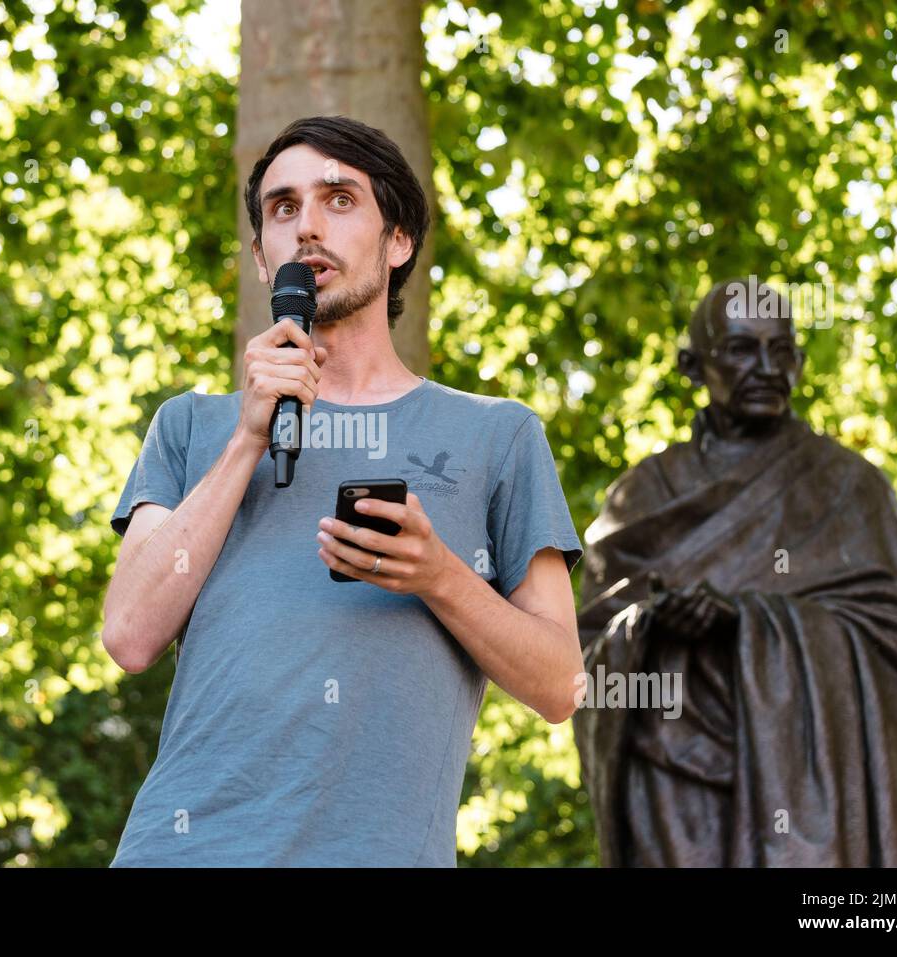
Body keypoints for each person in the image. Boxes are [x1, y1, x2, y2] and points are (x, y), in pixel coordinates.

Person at [101, 115, 583, 866]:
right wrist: (246, 440)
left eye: (340, 198)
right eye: (283, 208)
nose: (308, 227)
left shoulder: (500, 436)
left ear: (399, 241)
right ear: (262, 256)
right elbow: (129, 634)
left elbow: (560, 685)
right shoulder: (192, 427)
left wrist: (438, 575)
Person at [574, 278, 897, 866]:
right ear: (692, 365)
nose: (765, 368)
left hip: (825, 791)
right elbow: (584, 658)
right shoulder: (641, 499)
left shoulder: (849, 488)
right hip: (673, 784)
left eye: (781, 351)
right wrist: (652, 625)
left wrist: (748, 621)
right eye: (740, 349)